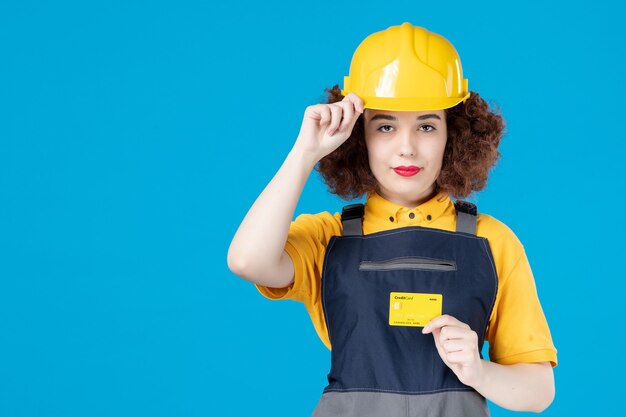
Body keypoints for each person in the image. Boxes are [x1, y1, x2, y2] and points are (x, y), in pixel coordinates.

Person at [227, 22, 558, 416]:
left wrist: (479, 371)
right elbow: (248, 261)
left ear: (453, 135)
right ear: (357, 136)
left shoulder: (492, 242)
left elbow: (539, 392)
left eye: (426, 126)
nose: (407, 147)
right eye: (385, 126)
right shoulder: (328, 237)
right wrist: (305, 151)